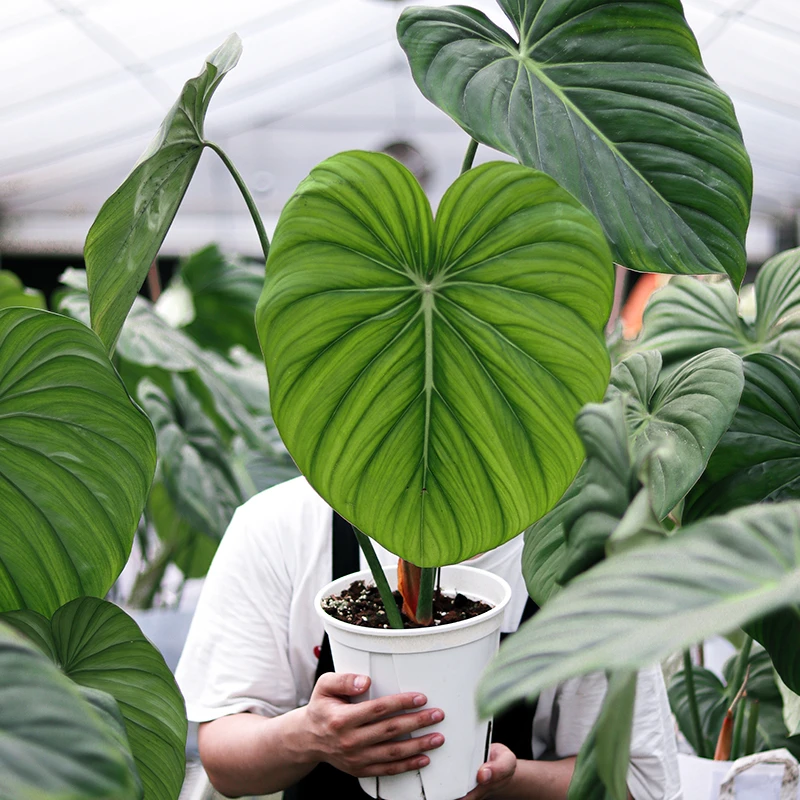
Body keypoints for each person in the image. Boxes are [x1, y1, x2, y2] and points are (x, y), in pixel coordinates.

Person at [175, 476, 682, 799]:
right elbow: (224, 758)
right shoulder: (282, 527)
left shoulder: (565, 549)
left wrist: (508, 780)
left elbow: (637, 781)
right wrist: (310, 735)